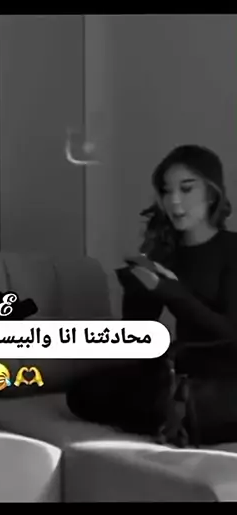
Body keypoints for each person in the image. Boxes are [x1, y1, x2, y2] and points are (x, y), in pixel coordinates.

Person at [67, 145, 237, 445]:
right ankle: (178, 416)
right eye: (166, 191)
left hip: (227, 375)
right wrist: (135, 290)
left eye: (186, 189)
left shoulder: (232, 249)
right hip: (181, 372)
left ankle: (181, 416)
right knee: (82, 394)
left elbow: (230, 333)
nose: (174, 201)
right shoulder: (166, 253)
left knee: (189, 403)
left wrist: (171, 292)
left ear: (211, 193)